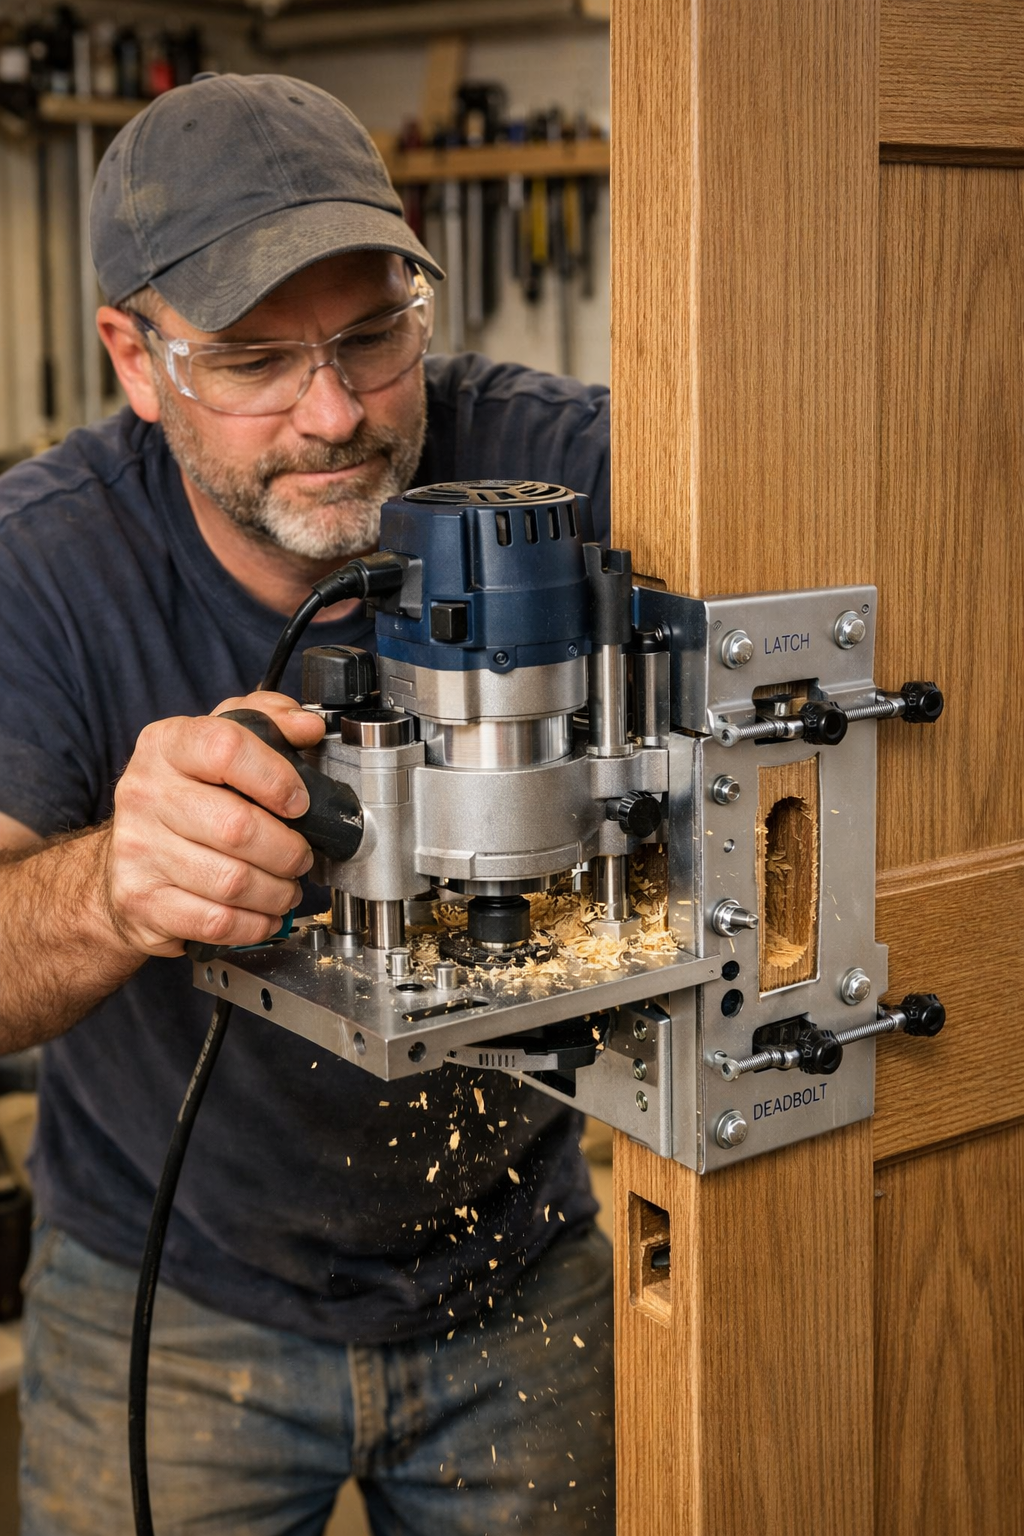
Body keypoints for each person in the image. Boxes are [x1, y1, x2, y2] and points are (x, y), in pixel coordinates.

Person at [0, 73, 613, 1535]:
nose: (333, 413)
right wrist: (112, 888)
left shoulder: (558, 469)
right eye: (256, 360)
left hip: (516, 1277)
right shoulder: (44, 567)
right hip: (169, 1290)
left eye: (371, 337)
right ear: (135, 361)